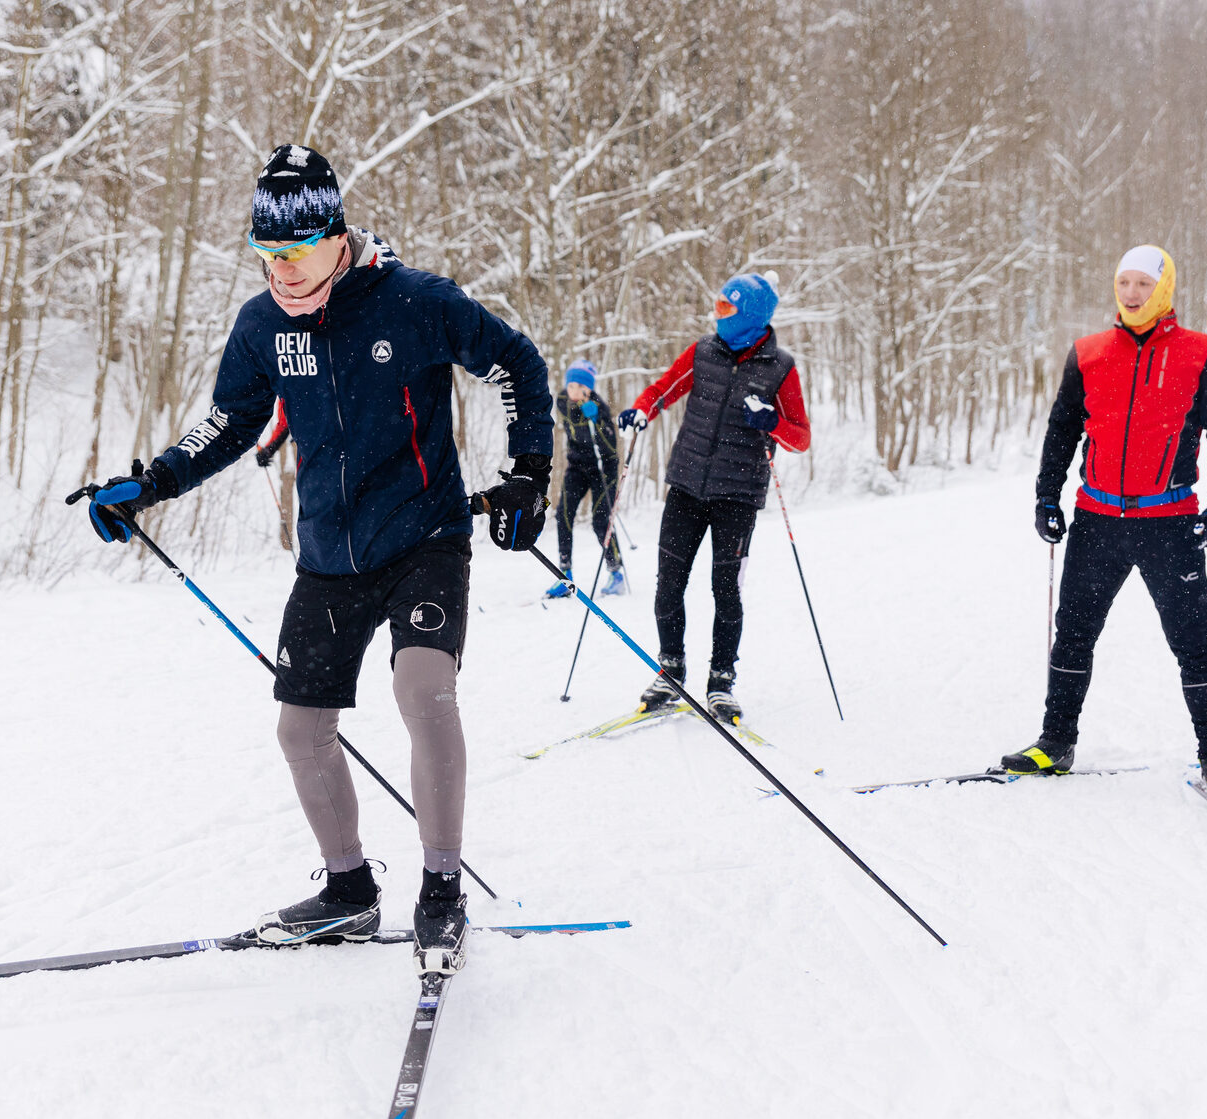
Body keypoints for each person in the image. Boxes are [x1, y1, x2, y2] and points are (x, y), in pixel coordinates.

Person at [78, 144, 553, 976]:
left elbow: (517, 362)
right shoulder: (262, 326)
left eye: (295, 254)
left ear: (337, 236)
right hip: (330, 554)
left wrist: (528, 474)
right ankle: (348, 891)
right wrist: (149, 482)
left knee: (421, 686)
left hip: (424, 538)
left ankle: (442, 889)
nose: (281, 275)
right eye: (265, 257)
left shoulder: (414, 301)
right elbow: (229, 423)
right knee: (300, 729)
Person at [1008, 245, 1207, 803]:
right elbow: (1062, 430)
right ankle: (1055, 743)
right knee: (1074, 636)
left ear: (1163, 290)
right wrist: (1047, 495)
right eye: (1124, 283)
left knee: (1193, 644)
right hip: (1096, 521)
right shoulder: (1088, 353)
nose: (1132, 294)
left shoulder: (1204, 354)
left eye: (1143, 284)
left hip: (1170, 523)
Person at [617, 271, 810, 723]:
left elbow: (800, 438)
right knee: (669, 582)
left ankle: (721, 682)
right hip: (686, 485)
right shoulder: (703, 352)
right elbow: (662, 388)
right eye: (718, 305)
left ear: (751, 314)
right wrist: (642, 410)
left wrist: (771, 424)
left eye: (727, 308)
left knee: (726, 590)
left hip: (738, 495)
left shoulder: (780, 368)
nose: (718, 314)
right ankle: (670, 670)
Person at [544, 360, 626, 598]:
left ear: (589, 388)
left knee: (600, 520)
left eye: (580, 386)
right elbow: (569, 416)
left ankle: (616, 572)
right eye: (571, 384)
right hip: (577, 465)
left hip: (604, 468)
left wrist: (597, 421)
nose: (574, 391)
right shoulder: (562, 400)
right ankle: (565, 575)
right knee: (563, 515)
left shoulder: (598, 407)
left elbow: (611, 446)